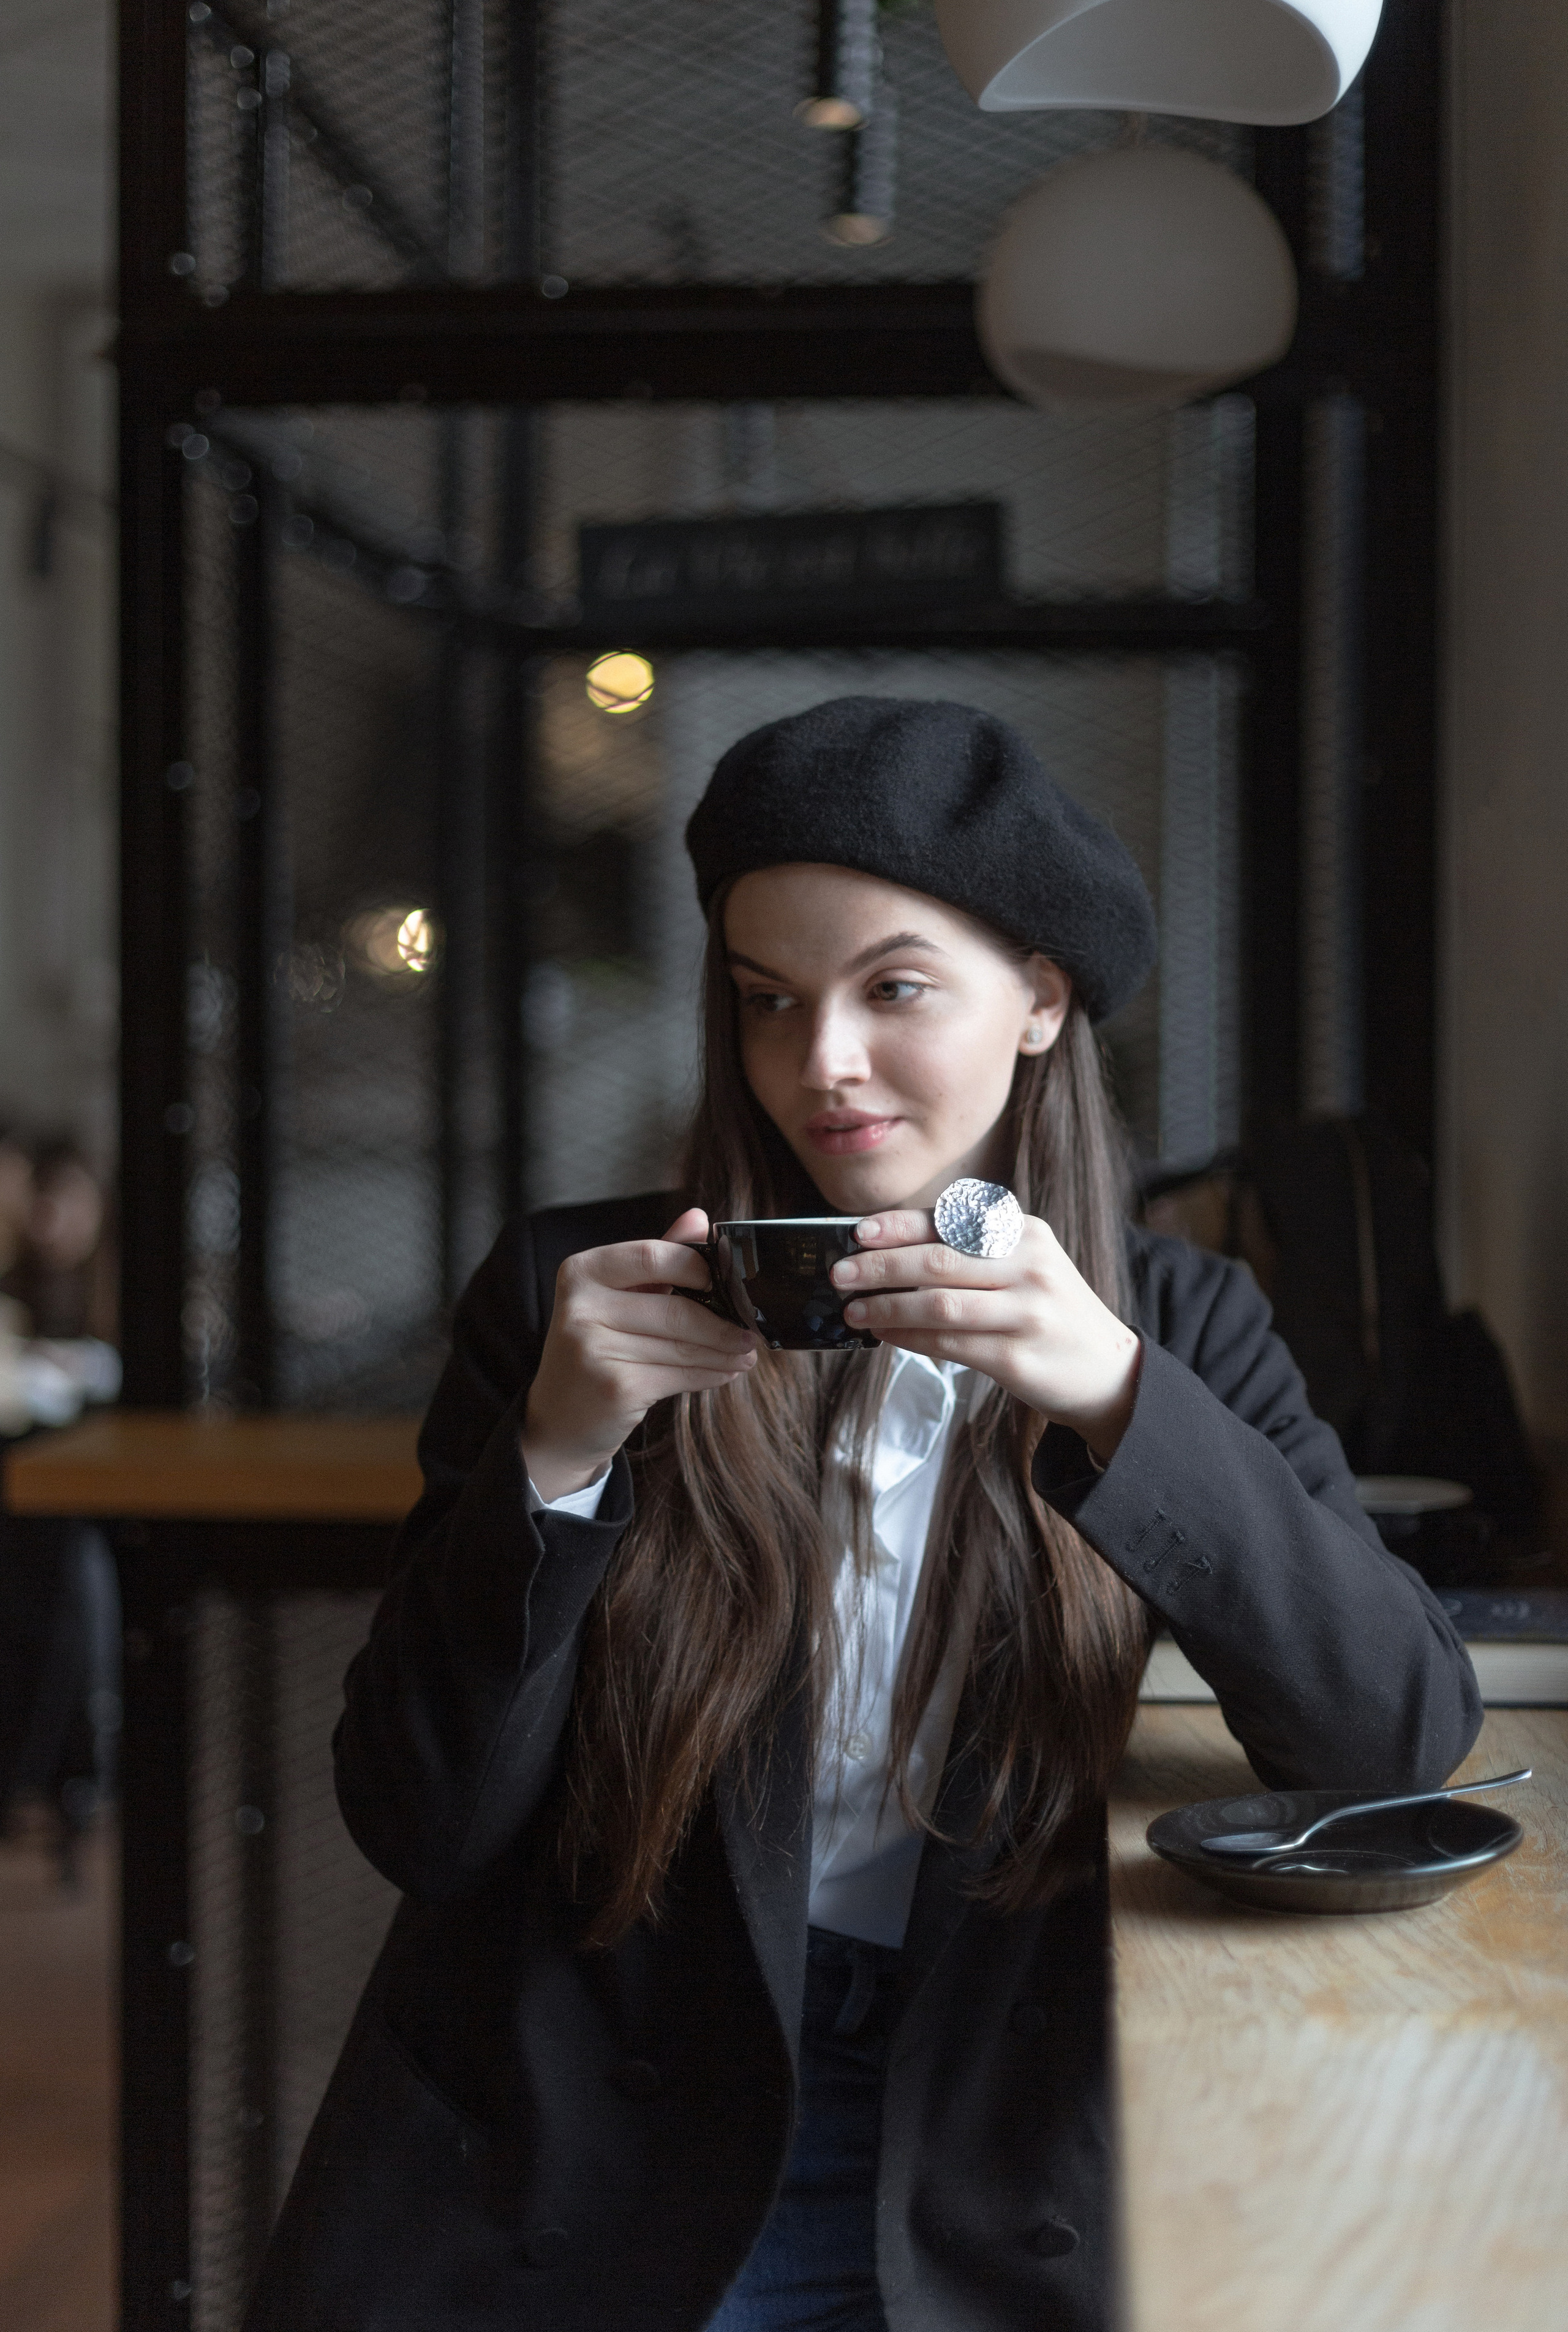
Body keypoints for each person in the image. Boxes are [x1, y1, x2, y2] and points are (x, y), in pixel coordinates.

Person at [247, 698, 1480, 2332]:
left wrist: (1116, 1397)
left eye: (893, 987)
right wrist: (558, 1456)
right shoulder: (579, 1295)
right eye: (769, 1001)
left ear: (1040, 997)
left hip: (982, 2139)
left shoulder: (1175, 1327)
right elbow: (421, 1819)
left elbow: (1395, 1734)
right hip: (588, 2140)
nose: (819, 1061)